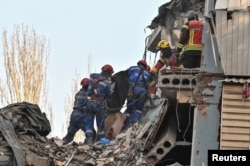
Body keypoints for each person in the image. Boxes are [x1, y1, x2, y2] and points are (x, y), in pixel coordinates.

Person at [84, 64, 114, 144]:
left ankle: (89, 140)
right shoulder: (106, 82)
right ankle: (99, 143)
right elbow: (109, 95)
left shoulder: (92, 77)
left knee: (89, 123)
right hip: (99, 105)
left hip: (89, 102)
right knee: (100, 125)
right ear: (109, 73)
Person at [123, 60, 150, 130]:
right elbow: (149, 84)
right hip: (143, 92)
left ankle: (125, 126)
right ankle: (134, 126)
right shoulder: (147, 73)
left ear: (138, 64)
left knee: (129, 109)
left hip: (133, 90)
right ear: (145, 66)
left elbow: (124, 77)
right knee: (138, 109)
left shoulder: (132, 68)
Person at [62, 77, 90, 145]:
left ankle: (61, 143)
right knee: (90, 133)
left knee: (70, 135)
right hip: (81, 115)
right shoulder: (88, 94)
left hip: (74, 114)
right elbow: (91, 104)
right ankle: (88, 146)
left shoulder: (78, 93)